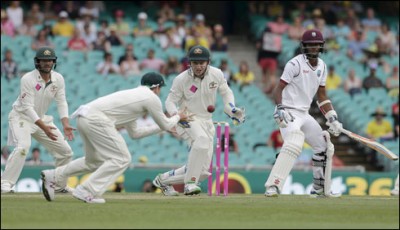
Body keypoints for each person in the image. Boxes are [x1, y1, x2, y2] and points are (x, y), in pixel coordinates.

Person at [40, 72, 193, 203]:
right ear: (157, 87)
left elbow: (135, 134)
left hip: (83, 117)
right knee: (122, 158)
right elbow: (166, 124)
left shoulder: (134, 97)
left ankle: (54, 175)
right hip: (96, 120)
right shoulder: (151, 98)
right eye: (160, 89)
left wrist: (164, 126)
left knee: (93, 161)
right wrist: (178, 116)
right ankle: (87, 190)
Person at [151, 45, 246, 196]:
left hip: (207, 121)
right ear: (190, 63)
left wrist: (232, 109)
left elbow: (226, 93)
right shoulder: (181, 79)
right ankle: (190, 184)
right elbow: (169, 101)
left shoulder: (217, 74)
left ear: (208, 62)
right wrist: (176, 115)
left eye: (202, 62)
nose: (199, 66)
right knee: (201, 141)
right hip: (187, 119)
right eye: (195, 63)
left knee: (203, 171)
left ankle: (163, 180)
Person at [264, 29, 343, 198]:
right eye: (310, 45)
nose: (313, 48)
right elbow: (278, 89)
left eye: (316, 45)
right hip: (288, 111)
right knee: (294, 141)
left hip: (304, 113)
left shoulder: (322, 66)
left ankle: (319, 187)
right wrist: (280, 108)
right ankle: (273, 185)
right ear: (304, 46)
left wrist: (332, 117)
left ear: (321, 46)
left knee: (323, 145)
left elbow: (321, 96)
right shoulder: (294, 64)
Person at [1, 47, 75, 193]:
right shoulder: (28, 79)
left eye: (50, 60)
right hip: (21, 117)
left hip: (42, 119)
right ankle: (5, 183)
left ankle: (59, 186)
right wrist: (44, 128)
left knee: (66, 152)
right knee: (23, 147)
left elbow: (62, 102)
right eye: (44, 60)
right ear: (38, 62)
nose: (47, 63)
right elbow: (28, 108)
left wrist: (65, 123)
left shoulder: (58, 79)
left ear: (54, 62)